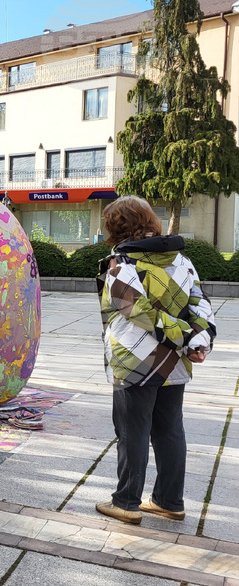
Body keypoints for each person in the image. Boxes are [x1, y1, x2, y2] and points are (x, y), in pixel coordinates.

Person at [95, 196, 215, 525]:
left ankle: (126, 502)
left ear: (116, 227)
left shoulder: (121, 264)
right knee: (169, 430)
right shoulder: (182, 260)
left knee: (132, 431)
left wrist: (185, 336)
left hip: (135, 361)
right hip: (174, 361)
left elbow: (136, 310)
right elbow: (201, 304)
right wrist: (197, 339)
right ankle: (169, 502)